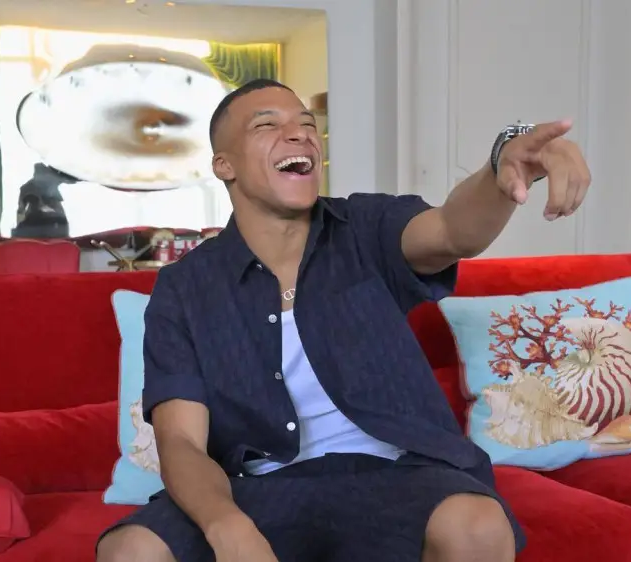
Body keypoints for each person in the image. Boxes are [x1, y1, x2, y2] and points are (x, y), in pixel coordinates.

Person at [96, 79, 591, 562]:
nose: (299, 134)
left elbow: (452, 230)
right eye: (267, 125)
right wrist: (228, 527)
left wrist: (504, 161)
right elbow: (181, 441)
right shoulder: (185, 288)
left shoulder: (365, 228)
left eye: (306, 124)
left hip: (394, 474)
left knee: (478, 527)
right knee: (130, 551)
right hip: (255, 488)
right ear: (224, 165)